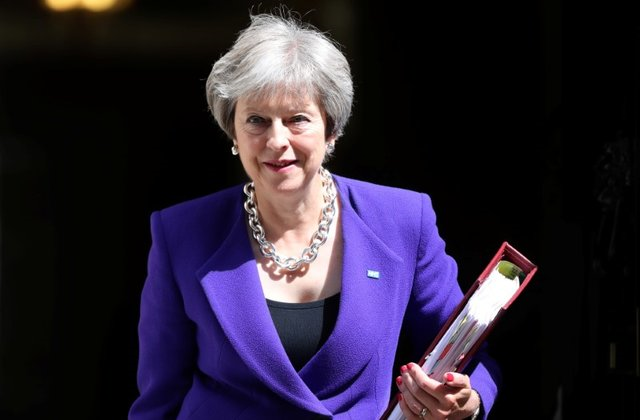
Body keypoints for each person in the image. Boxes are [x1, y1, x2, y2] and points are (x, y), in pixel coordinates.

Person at [128, 7, 500, 420]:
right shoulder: (180, 233)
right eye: (256, 120)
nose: (277, 141)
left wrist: (467, 402)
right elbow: (159, 400)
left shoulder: (402, 220)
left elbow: (470, 354)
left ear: (332, 128)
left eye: (297, 119)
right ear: (232, 131)